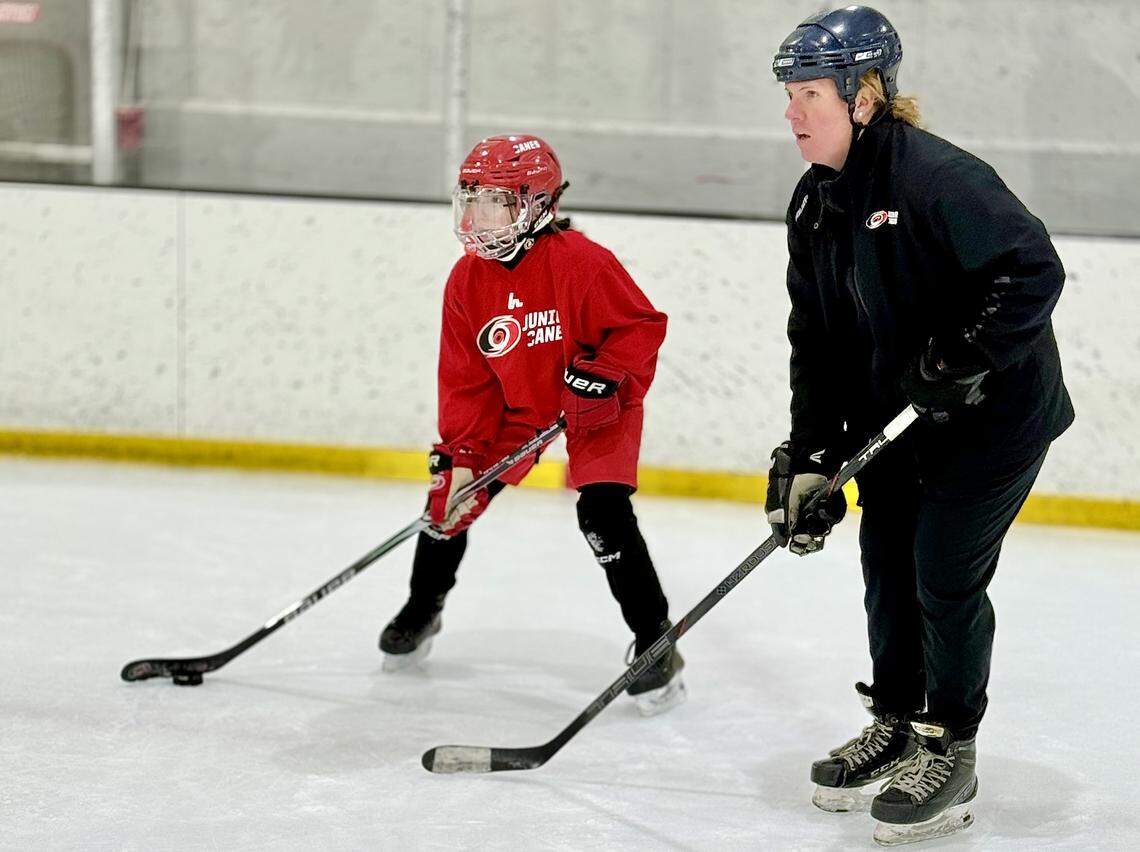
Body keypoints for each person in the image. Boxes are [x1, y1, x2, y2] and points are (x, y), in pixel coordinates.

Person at [767, 6, 1074, 845]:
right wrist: (810, 455)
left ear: (864, 98)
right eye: (788, 95)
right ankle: (898, 719)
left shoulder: (938, 178)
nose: (792, 113)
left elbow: (1032, 268)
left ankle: (952, 744)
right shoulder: (816, 203)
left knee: (941, 570)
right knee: (885, 565)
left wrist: (968, 355)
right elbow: (817, 340)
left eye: (808, 95)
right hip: (900, 420)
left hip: (993, 419)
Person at [378, 134, 686, 716]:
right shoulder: (467, 280)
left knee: (602, 514)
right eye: (471, 199)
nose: (477, 216)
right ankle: (424, 606)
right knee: (451, 498)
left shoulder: (582, 262)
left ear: (536, 205)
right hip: (520, 409)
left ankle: (656, 639)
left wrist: (602, 375)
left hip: (597, 403)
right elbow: (465, 380)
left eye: (495, 201)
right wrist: (461, 454)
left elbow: (641, 327)